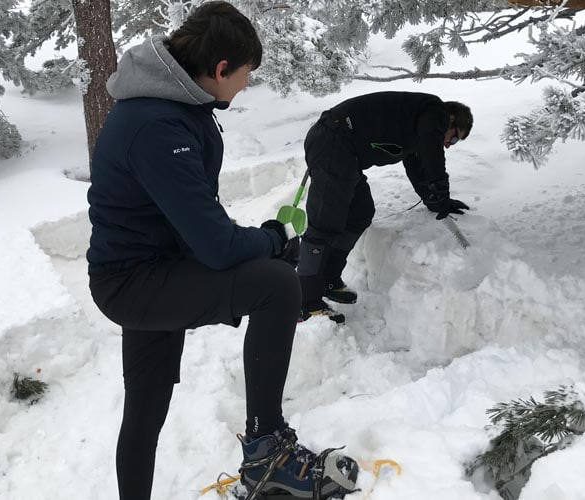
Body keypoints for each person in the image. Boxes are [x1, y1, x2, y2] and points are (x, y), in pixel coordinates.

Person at [85, 3, 358, 499]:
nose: (245, 85)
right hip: (135, 281)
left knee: (144, 411)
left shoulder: (173, 107)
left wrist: (261, 245)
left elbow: (195, 222)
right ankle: (267, 453)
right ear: (220, 70)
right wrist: (274, 239)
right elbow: (214, 244)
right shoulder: (157, 127)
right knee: (276, 284)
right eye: (246, 75)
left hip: (151, 269)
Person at [298, 91, 473, 323]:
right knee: (325, 222)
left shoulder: (419, 124)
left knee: (360, 213)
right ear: (450, 120)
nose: (449, 145)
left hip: (344, 151)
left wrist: (436, 201)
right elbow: (433, 156)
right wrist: (442, 195)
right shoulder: (435, 112)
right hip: (333, 140)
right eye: (453, 139)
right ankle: (304, 297)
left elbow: (418, 167)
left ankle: (329, 278)